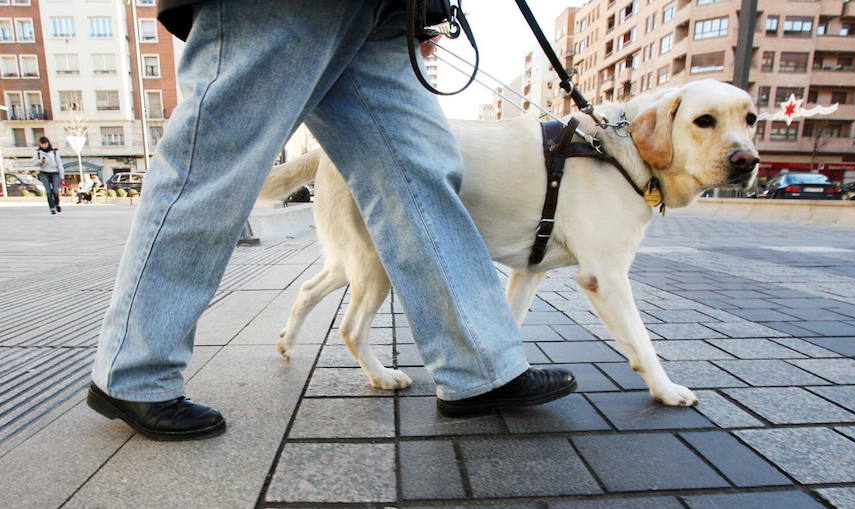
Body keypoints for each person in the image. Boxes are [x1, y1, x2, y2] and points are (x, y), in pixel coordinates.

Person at [86, 0, 576, 441]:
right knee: (213, 167)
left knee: (419, 172)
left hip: (384, 13)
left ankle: (480, 368)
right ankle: (134, 373)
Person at [33, 136, 64, 215]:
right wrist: (41, 161)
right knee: (48, 191)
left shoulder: (54, 151)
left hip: (54, 172)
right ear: (40, 144)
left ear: (48, 143)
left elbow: (59, 163)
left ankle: (57, 204)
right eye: (42, 144)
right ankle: (52, 208)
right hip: (44, 172)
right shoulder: (38, 152)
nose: (44, 145)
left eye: (45, 143)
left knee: (55, 190)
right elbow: (35, 163)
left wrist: (62, 175)